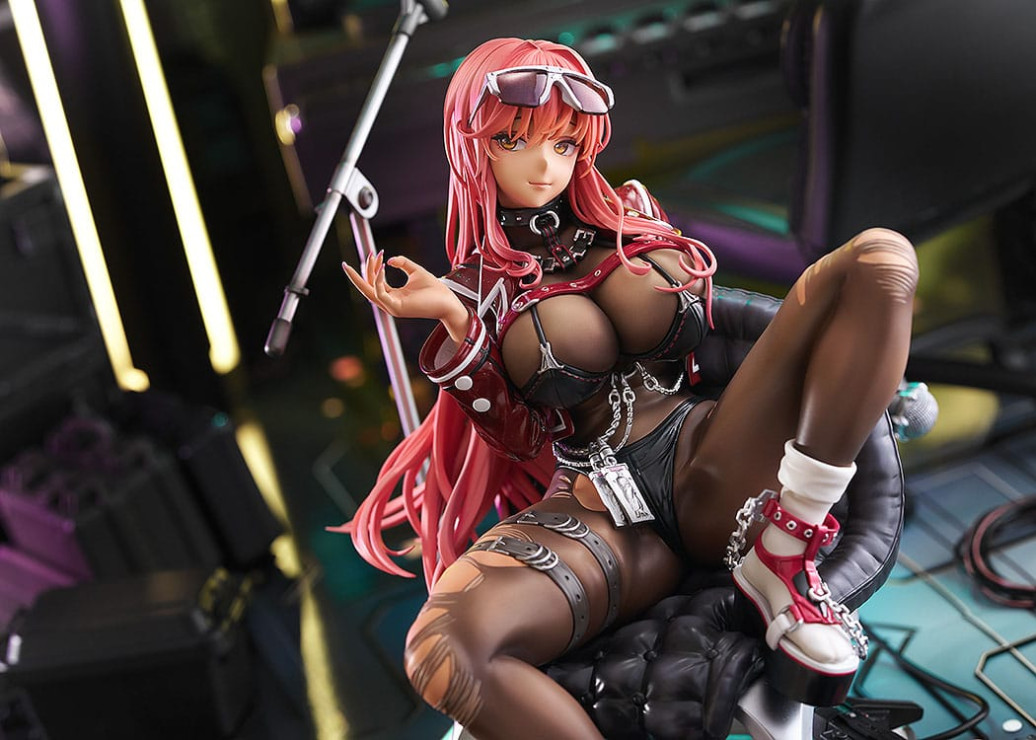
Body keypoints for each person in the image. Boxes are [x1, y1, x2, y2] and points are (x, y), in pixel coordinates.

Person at [331, 37, 918, 739]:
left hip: (712, 458)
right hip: (603, 510)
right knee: (442, 652)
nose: (544, 166)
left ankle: (784, 556)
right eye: (514, 141)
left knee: (879, 259)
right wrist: (459, 325)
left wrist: (845, 377)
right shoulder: (470, 290)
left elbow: (718, 331)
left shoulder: (629, 214)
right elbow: (518, 437)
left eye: (563, 143)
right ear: (471, 146)